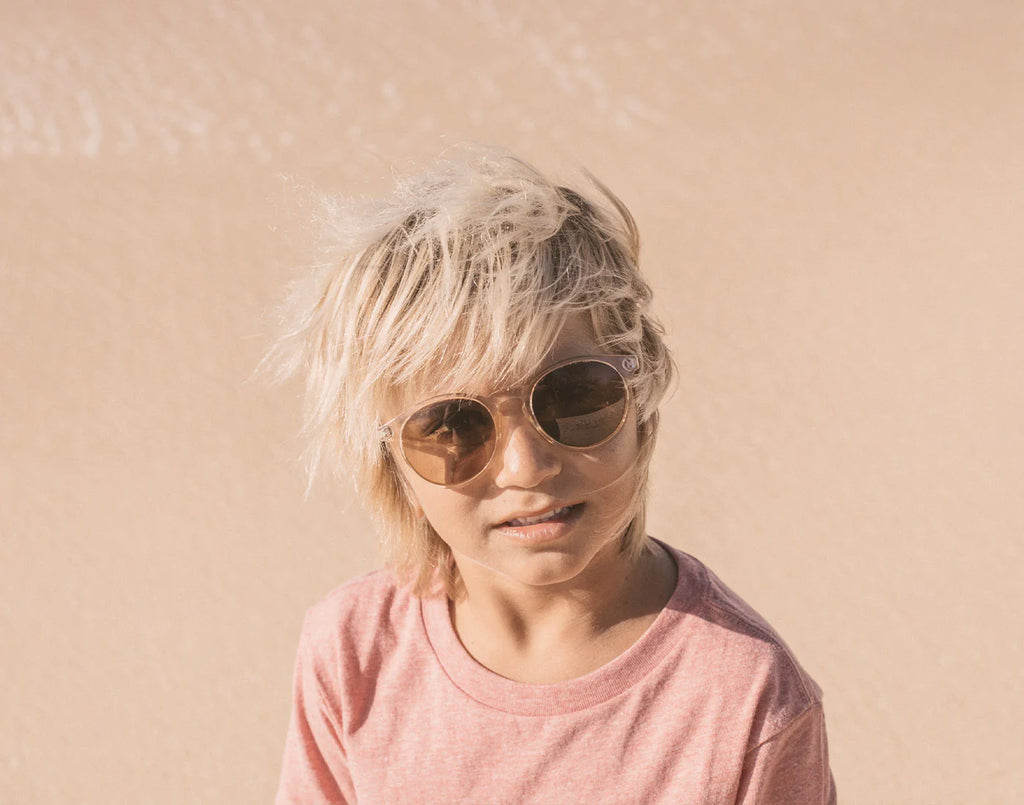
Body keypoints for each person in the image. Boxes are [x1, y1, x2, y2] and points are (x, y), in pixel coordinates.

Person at [268, 146, 836, 804]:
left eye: (573, 396)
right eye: (453, 427)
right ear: (391, 459)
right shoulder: (352, 650)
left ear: (643, 392)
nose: (526, 467)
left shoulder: (744, 696)